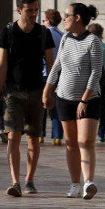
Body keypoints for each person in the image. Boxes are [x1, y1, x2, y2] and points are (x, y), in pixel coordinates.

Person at [0, 0, 55, 197]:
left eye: (36, 10)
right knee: (13, 135)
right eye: (29, 10)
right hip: (12, 92)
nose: (34, 14)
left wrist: (50, 91)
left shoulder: (43, 33)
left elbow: (51, 64)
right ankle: (15, 181)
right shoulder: (8, 32)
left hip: (37, 91)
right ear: (19, 10)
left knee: (34, 137)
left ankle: (29, 180)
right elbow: (2, 65)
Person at [43, 3, 102, 200]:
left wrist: (84, 99)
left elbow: (96, 72)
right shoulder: (66, 38)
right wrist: (47, 90)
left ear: (77, 18)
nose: (64, 19)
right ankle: (75, 184)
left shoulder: (93, 41)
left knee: (85, 141)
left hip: (88, 99)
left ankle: (88, 182)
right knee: (71, 144)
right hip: (64, 98)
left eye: (67, 15)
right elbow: (57, 66)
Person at [87, 23, 105, 143]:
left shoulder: (86, 46)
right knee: (103, 108)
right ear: (101, 34)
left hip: (90, 82)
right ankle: (101, 134)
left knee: (88, 107)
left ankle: (88, 132)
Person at [41, 9, 65, 145]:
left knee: (42, 105)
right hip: (59, 74)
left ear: (48, 21)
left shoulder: (45, 33)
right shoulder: (63, 35)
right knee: (57, 105)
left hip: (45, 73)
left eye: (44, 20)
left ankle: (40, 134)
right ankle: (57, 136)